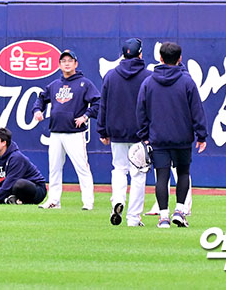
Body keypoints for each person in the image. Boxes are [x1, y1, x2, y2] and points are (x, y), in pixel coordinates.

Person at [136, 40, 208, 228]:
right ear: (180, 59)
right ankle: (180, 211)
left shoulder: (149, 82)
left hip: (158, 137)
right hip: (182, 137)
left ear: (160, 58)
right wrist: (201, 135)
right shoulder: (187, 81)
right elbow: (197, 111)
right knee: (183, 173)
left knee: (162, 176)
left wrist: (144, 134)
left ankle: (163, 217)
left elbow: (141, 111)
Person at [33, 48, 100, 211]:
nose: (67, 63)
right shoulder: (55, 85)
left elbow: (98, 102)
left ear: (76, 63)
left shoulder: (84, 83)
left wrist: (86, 116)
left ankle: (88, 202)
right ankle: (54, 200)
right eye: (63, 61)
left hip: (75, 133)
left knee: (82, 167)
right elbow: (41, 98)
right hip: (56, 132)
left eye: (70, 61)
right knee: (54, 167)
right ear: (59, 65)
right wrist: (37, 110)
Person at [97, 37, 150, 227]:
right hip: (140, 133)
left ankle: (118, 200)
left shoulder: (111, 76)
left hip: (117, 131)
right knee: (138, 174)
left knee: (119, 169)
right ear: (141, 53)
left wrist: (102, 130)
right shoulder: (147, 76)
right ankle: (133, 217)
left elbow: (103, 105)